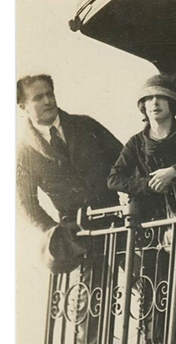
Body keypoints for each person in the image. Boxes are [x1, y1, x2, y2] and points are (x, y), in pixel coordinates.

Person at [17, 74, 122, 233]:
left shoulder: (86, 125)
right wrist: (58, 235)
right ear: (23, 107)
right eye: (38, 98)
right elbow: (26, 205)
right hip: (75, 239)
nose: (47, 101)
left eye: (50, 94)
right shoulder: (24, 152)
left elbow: (126, 161)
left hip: (117, 225)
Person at [108, 74, 176, 226]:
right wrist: (148, 184)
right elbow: (114, 179)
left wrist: (173, 171)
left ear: (171, 103)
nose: (155, 103)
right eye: (149, 98)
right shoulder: (136, 142)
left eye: (161, 97)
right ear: (144, 106)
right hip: (149, 218)